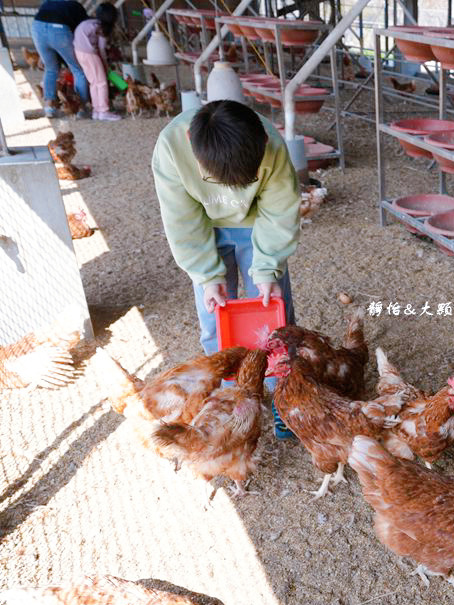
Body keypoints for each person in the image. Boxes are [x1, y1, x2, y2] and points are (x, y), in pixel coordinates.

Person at [152, 100, 299, 437]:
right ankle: (226, 401)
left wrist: (267, 269)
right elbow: (182, 221)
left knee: (276, 312)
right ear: (191, 142)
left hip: (260, 224)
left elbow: (279, 213)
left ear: (262, 142)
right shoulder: (171, 148)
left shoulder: (271, 144)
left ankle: (283, 397)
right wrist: (207, 276)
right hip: (204, 225)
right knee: (215, 317)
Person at [31, 0, 91, 118]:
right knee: (78, 70)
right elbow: (81, 31)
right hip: (59, 30)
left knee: (51, 69)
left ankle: (49, 107)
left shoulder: (49, 2)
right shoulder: (75, 6)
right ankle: (81, 108)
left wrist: (41, 56)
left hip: (37, 27)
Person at [73, 2, 120, 121]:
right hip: (89, 53)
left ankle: (96, 111)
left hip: (79, 52)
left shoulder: (89, 23)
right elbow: (102, 48)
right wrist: (105, 64)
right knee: (102, 82)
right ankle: (104, 111)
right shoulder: (101, 27)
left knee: (94, 82)